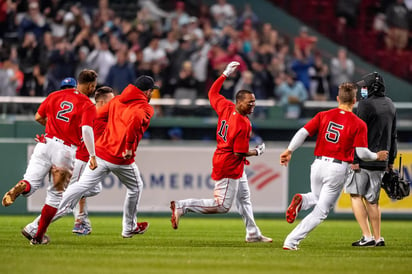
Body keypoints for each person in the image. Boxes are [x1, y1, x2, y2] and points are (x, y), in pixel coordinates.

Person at [22, 75, 157, 244]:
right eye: (152, 91)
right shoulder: (145, 107)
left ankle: (34, 227)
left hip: (101, 153)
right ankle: (128, 227)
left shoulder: (117, 101)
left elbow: (97, 116)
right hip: (121, 157)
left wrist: (93, 134)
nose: (152, 94)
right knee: (136, 188)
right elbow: (135, 120)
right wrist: (128, 145)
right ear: (148, 91)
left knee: (78, 189)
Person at [170, 61, 272, 243]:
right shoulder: (243, 123)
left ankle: (253, 233)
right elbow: (240, 152)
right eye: (250, 103)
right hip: (229, 162)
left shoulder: (226, 106)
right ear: (239, 102)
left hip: (224, 157)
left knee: (244, 198)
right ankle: (182, 206)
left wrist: (224, 74)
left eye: (254, 102)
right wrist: (257, 151)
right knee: (222, 205)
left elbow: (212, 93)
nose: (253, 106)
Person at [280, 82, 389, 250]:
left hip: (317, 164)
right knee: (321, 211)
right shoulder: (358, 123)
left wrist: (289, 150)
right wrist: (377, 155)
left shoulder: (323, 115)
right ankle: (291, 241)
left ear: (338, 98)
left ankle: (302, 200)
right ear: (354, 100)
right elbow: (362, 154)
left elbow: (303, 132)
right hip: (337, 168)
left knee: (316, 198)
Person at [2, 70, 99, 245]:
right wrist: (92, 155)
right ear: (91, 86)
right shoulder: (87, 104)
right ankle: (38, 237)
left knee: (30, 182)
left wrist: (55, 126)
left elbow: (38, 116)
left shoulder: (54, 95)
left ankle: (22, 187)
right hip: (66, 150)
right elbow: (86, 130)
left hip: (45, 143)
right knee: (54, 197)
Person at [345, 72, 397, 247]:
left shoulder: (365, 105)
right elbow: (393, 135)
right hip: (382, 160)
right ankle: (377, 237)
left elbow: (356, 133)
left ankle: (366, 236)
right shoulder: (390, 104)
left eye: (365, 87)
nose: (362, 90)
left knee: (355, 195)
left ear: (373, 87)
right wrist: (391, 161)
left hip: (364, 158)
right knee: (373, 200)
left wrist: (353, 158)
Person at [71, 86, 115, 235]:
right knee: (68, 195)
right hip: (83, 159)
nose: (114, 103)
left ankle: (81, 222)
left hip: (84, 158)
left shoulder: (87, 112)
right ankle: (37, 226)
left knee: (92, 189)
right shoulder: (96, 116)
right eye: (111, 100)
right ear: (102, 102)